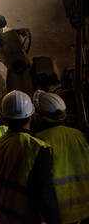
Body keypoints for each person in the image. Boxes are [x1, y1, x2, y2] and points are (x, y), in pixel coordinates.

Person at [0, 90, 62, 224]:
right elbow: (46, 195)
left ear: (4, 118)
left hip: (2, 217)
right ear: (32, 116)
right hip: (26, 219)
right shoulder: (38, 148)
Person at [33, 90, 89, 224]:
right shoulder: (79, 135)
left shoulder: (38, 141)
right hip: (85, 212)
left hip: (59, 216)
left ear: (41, 117)